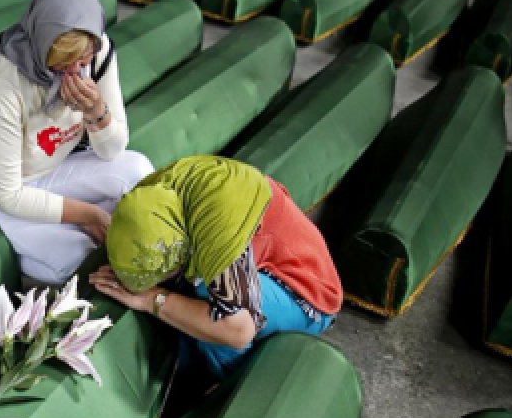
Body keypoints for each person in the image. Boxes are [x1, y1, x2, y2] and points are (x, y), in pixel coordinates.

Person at [0, 0, 153, 284]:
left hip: (47, 171)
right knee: (78, 255)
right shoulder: (2, 79)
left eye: (81, 63)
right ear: (41, 44)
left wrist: (96, 112)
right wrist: (88, 215)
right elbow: (7, 193)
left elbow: (111, 151)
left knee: (138, 171)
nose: (73, 74)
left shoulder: (98, 51)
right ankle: (10, 243)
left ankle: (39, 235)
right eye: (60, 65)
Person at [90, 156, 343, 380]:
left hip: (308, 293)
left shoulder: (218, 233)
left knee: (214, 307)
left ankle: (222, 387)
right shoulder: (150, 197)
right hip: (253, 258)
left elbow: (237, 329)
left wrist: (150, 299)